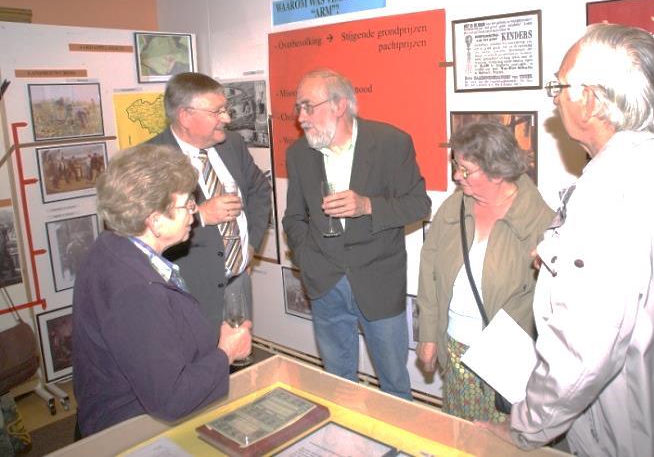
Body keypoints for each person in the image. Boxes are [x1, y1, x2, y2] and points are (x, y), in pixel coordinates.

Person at [483, 24, 654, 456]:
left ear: (590, 101)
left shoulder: (606, 190)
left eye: (560, 86)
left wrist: (525, 427)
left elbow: (581, 354)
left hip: (629, 433)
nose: (556, 98)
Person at [73, 144, 251, 436]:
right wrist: (226, 352)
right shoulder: (136, 290)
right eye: (186, 205)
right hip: (136, 434)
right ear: (154, 220)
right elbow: (171, 398)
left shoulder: (108, 248)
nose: (194, 213)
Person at [282, 68, 431, 400]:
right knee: (337, 381)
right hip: (325, 284)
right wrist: (308, 261)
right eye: (299, 109)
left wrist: (368, 206)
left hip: (379, 281)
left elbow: (419, 205)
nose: (301, 117)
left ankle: (398, 448)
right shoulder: (299, 153)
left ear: (338, 105)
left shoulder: (392, 142)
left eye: (308, 106)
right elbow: (294, 218)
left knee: (393, 382)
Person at [417, 122, 553, 424]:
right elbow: (430, 271)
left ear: (497, 172)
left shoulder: (539, 221)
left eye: (466, 170)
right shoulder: (455, 206)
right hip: (454, 349)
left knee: (498, 441)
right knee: (460, 434)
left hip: (504, 360)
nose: (456, 176)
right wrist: (428, 335)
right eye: (456, 165)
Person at [148, 72, 271, 340]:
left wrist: (251, 246)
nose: (227, 118)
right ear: (185, 116)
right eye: (218, 112)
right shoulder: (151, 159)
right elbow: (139, 230)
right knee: (198, 372)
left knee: (239, 369)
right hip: (190, 293)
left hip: (238, 283)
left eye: (225, 109)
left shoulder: (232, 144)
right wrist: (200, 215)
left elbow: (260, 190)